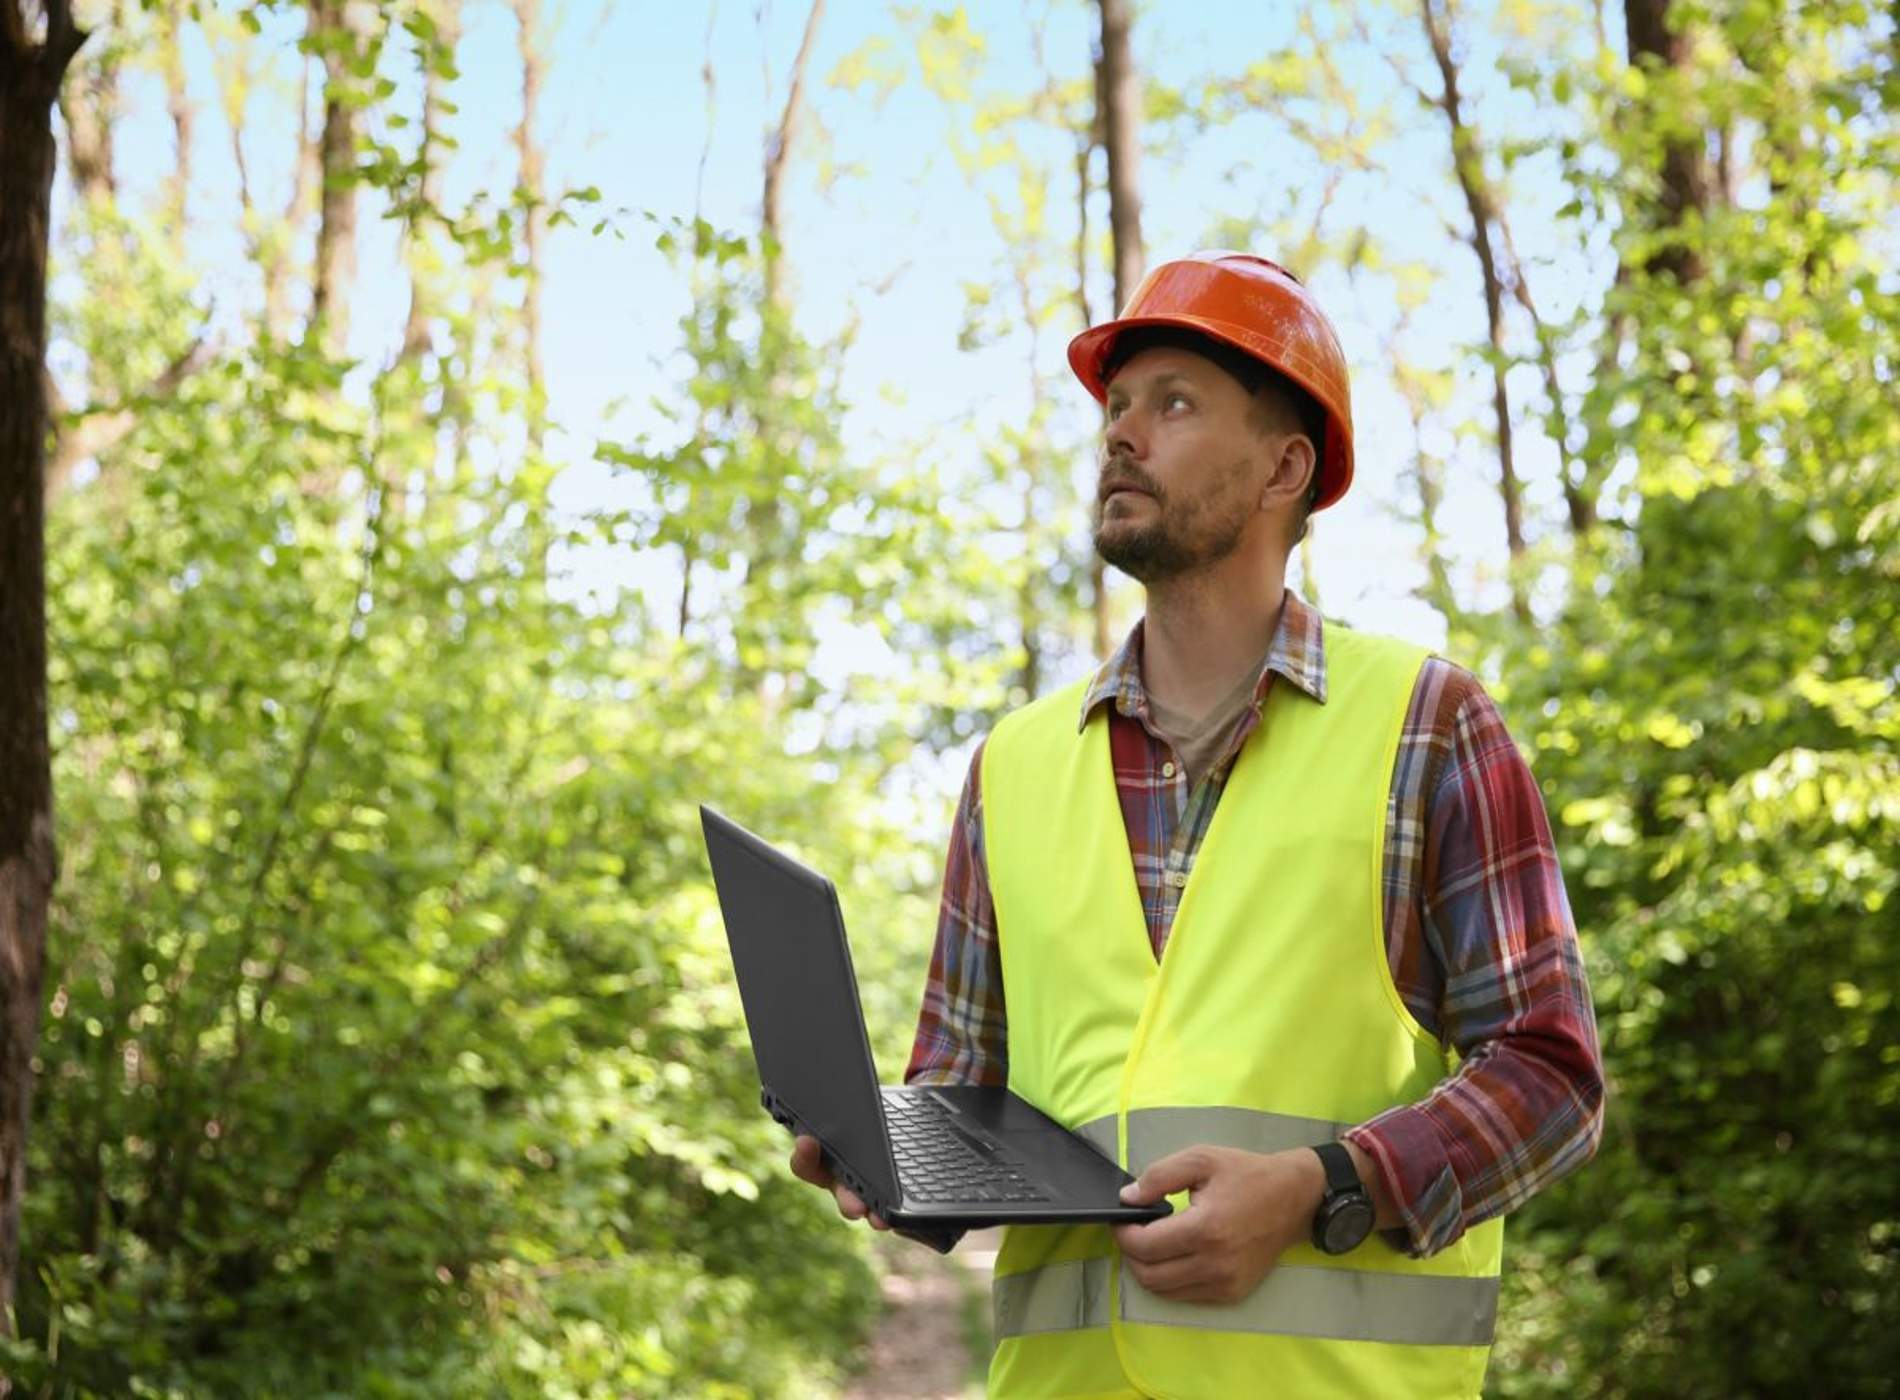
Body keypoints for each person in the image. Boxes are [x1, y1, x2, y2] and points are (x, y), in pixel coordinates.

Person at [791, 250, 1603, 1398]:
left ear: (1284, 467)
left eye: (1171, 403)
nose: (1120, 434)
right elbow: (964, 1085)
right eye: (1116, 407)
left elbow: (1550, 1075)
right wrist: (884, 1152)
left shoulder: (1428, 726)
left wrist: (1326, 1183)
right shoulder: (1010, 766)